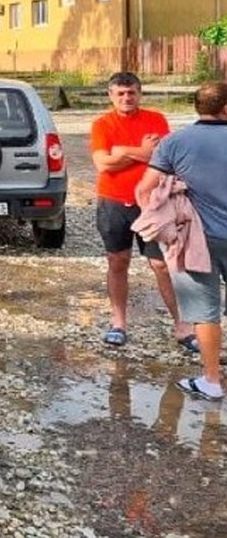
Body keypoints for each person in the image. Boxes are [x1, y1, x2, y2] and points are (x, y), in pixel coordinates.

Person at [90, 71, 196, 350]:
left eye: (132, 92)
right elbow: (102, 164)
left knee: (162, 265)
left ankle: (182, 327)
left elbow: (164, 157)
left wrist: (122, 151)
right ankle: (118, 324)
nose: (127, 98)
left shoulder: (156, 119)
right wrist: (140, 151)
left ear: (140, 93)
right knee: (117, 262)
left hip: (153, 205)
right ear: (111, 96)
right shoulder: (102, 124)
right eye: (121, 93)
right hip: (112, 202)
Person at [137, 82, 227, 401]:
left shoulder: (174, 142)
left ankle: (212, 381)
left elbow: (144, 190)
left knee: (205, 311)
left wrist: (165, 228)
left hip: (196, 238)